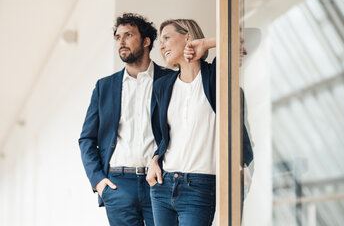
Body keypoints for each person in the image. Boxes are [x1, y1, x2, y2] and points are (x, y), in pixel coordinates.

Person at [146, 19, 254, 226]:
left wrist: (204, 44)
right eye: (160, 41)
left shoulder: (217, 76)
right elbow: (163, 136)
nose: (161, 46)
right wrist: (154, 159)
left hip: (200, 186)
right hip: (163, 185)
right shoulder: (163, 85)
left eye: (167, 37)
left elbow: (245, 42)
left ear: (187, 37)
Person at [78, 13, 174, 226]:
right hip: (117, 185)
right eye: (117, 37)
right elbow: (86, 139)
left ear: (146, 41)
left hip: (159, 182)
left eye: (128, 35)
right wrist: (98, 182)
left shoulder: (169, 80)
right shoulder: (104, 87)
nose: (121, 41)